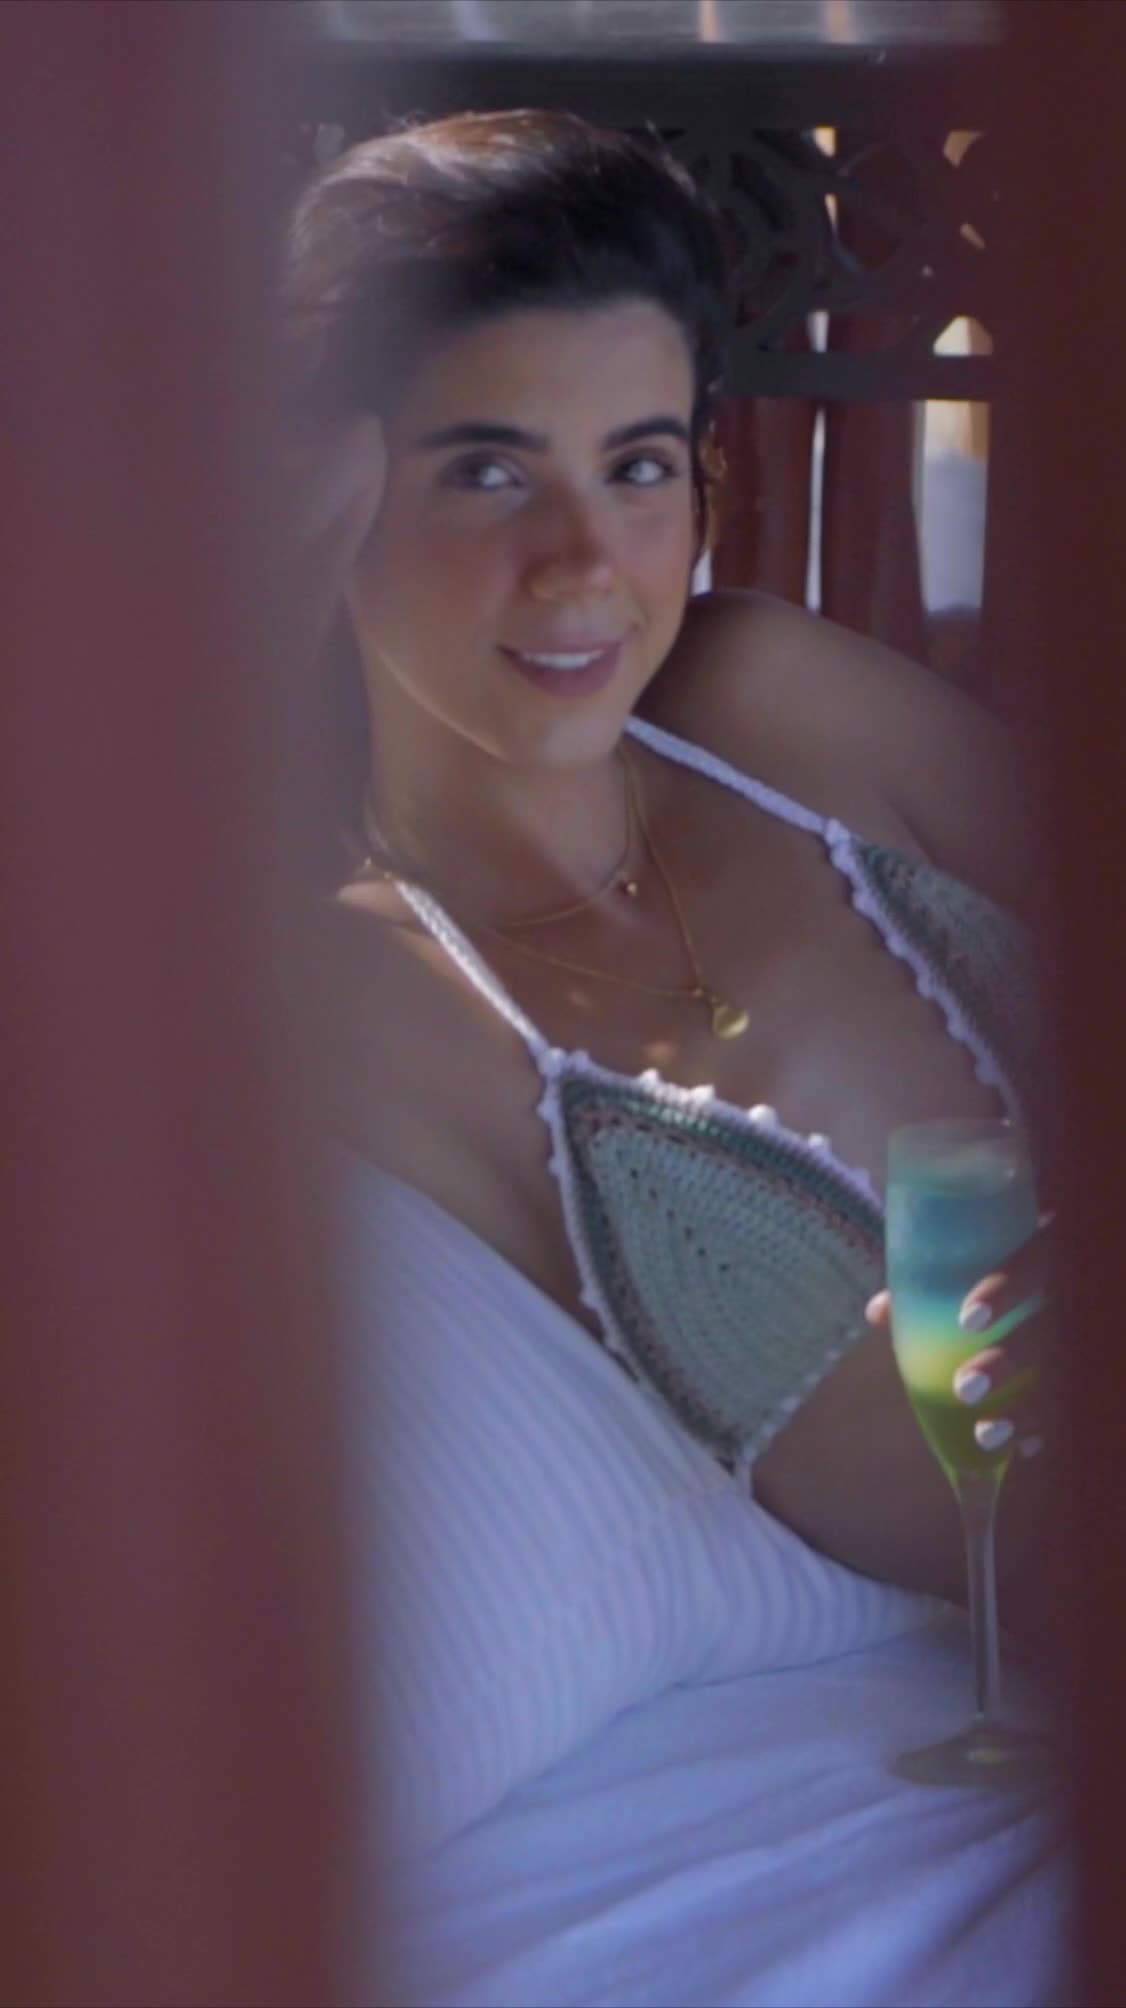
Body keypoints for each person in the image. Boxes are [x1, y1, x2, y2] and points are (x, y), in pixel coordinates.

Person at [281, 108, 1051, 1636]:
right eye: (487, 475)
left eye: (635, 466)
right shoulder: (369, 993)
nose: (582, 563)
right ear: (342, 496)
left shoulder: (772, 698)